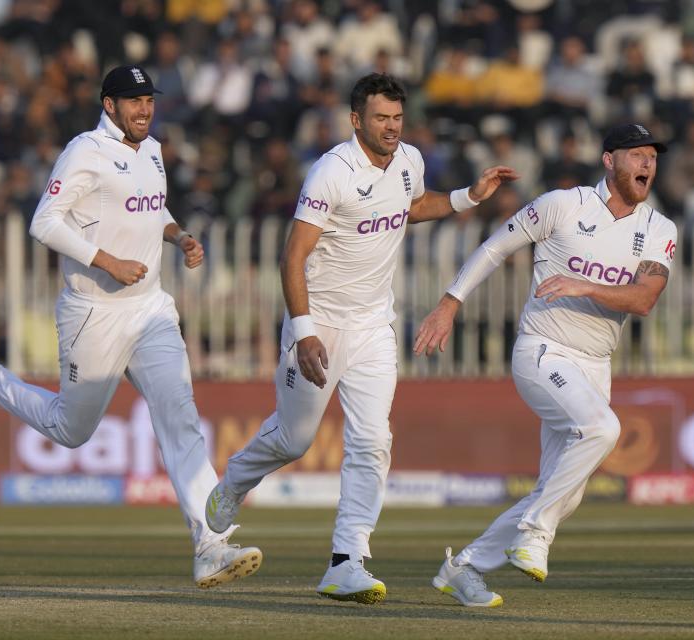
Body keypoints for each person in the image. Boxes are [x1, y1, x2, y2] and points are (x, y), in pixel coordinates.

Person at [205, 73, 516, 604]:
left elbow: (411, 208)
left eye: (397, 118)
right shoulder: (331, 172)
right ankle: (233, 483)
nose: (391, 128)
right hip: (318, 324)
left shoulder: (410, 160)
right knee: (295, 439)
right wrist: (303, 332)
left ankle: (346, 561)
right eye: (380, 118)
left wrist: (469, 196)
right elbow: (293, 255)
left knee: (373, 441)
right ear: (356, 120)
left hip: (374, 324)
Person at [0, 65, 262, 590]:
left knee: (180, 418)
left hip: (151, 309)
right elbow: (44, 221)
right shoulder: (85, 151)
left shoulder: (155, 150)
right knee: (71, 431)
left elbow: (152, 208)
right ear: (109, 104)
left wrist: (179, 235)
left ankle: (212, 545)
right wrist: (107, 262)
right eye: (133, 101)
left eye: (149, 100)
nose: (144, 109)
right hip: (93, 311)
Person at [414, 123, 675, 608]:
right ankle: (534, 534)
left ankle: (463, 567)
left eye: (652, 158)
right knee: (601, 430)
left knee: (564, 492)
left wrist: (585, 286)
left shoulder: (659, 229)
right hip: (543, 350)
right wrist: (450, 302)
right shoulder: (563, 204)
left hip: (596, 365)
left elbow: (643, 300)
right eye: (636, 155)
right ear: (608, 160)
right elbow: (494, 248)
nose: (646, 165)